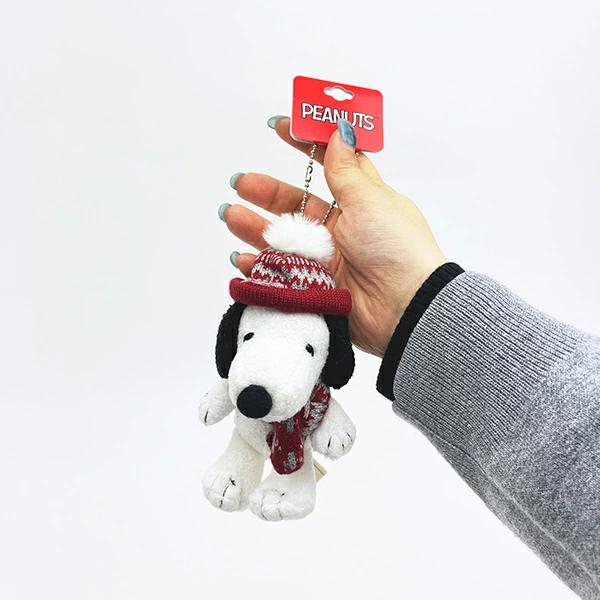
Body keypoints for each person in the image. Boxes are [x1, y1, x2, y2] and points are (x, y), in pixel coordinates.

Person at [217, 117, 600, 600]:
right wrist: (422, 308)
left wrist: (419, 308)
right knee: (244, 439)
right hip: (251, 428)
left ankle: (291, 481)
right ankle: (240, 464)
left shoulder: (315, 392)